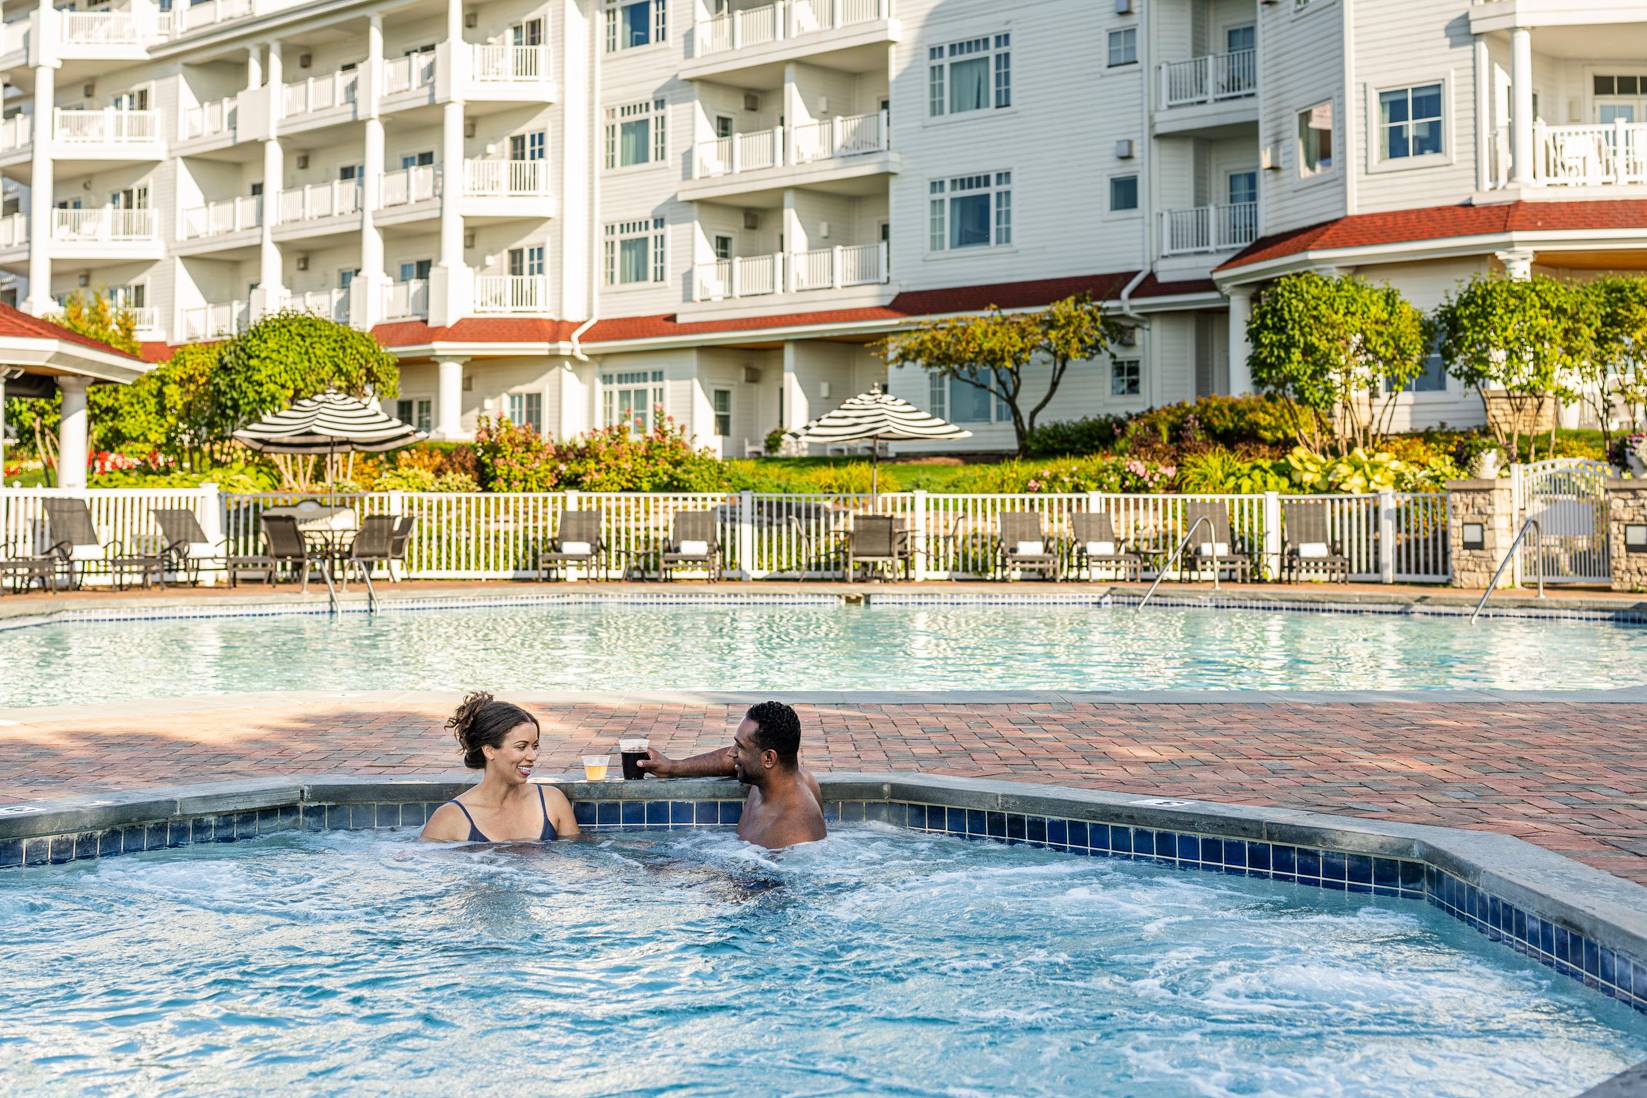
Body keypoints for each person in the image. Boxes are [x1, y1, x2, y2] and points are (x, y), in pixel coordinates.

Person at [638, 700, 826, 850]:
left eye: (740, 747)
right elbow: (729, 761)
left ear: (768, 758)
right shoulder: (777, 777)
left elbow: (765, 891)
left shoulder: (790, 832)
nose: (731, 753)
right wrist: (672, 767)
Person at [421, 692, 581, 843]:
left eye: (535, 746)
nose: (533, 756)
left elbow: (575, 861)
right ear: (489, 751)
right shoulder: (450, 819)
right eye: (521, 747)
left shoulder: (552, 801)